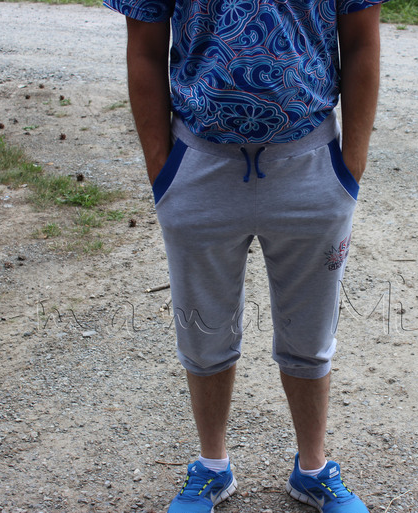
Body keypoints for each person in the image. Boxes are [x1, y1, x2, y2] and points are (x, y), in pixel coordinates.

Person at [104, 0, 385, 511]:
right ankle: (212, 466)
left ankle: (313, 469)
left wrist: (351, 166)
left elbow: (362, 37)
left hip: (309, 165)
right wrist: (162, 169)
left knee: (310, 334)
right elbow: (144, 44)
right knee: (203, 329)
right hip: (199, 164)